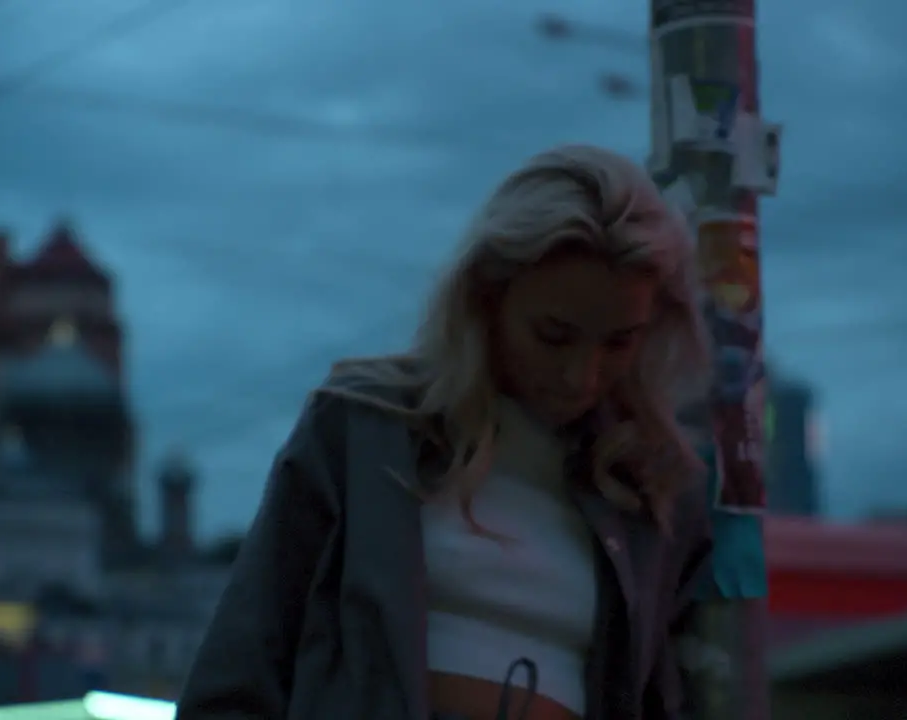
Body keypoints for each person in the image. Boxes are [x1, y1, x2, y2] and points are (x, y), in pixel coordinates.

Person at [176, 144, 716, 720]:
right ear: (487, 298)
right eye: (553, 336)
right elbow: (242, 667)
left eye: (618, 343)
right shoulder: (363, 431)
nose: (580, 377)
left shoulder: (648, 490)